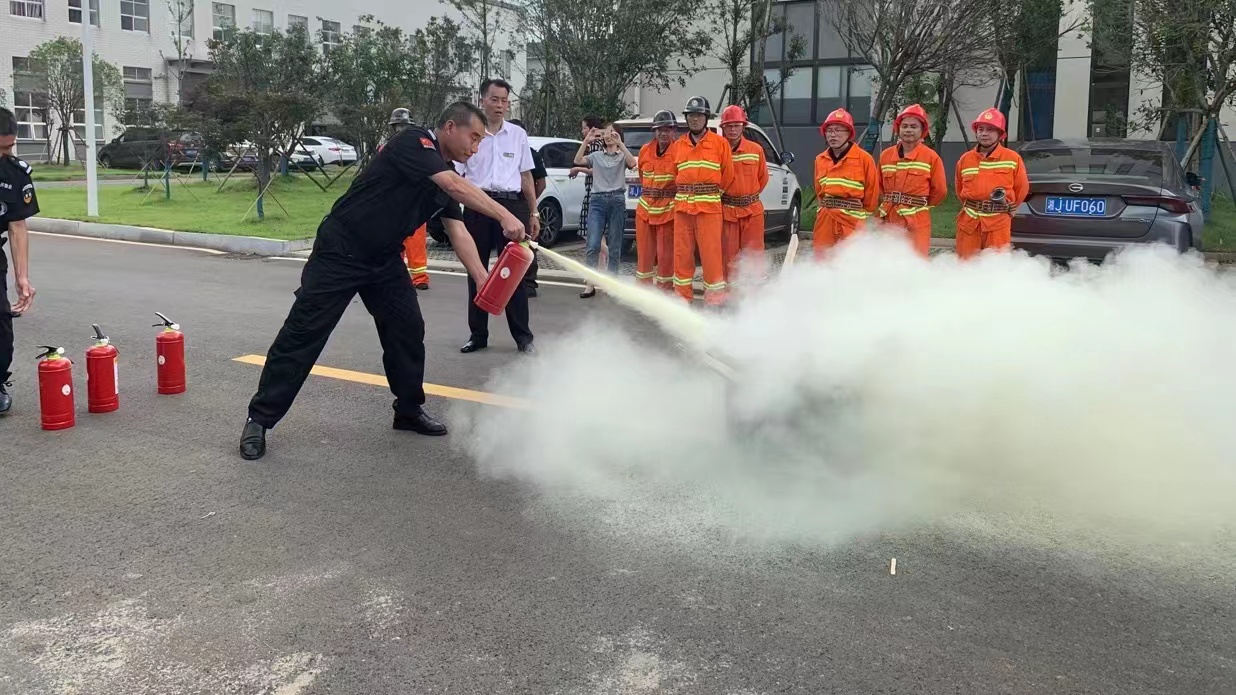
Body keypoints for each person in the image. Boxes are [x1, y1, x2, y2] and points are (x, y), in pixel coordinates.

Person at [238, 102, 523, 461]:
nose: (476, 147)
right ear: (450, 127)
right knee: (303, 333)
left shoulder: (446, 176)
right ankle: (258, 420)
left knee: (407, 328)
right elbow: (453, 185)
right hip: (341, 251)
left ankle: (408, 409)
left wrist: (483, 278)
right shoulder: (414, 143)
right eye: (475, 137)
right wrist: (503, 214)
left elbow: (458, 229)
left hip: (384, 259)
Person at [458, 78, 540, 355]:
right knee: (476, 271)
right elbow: (457, 174)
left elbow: (526, 176)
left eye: (505, 100)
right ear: (482, 99)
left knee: (515, 273)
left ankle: (523, 338)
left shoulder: (517, 135)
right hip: (477, 206)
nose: (500, 106)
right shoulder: (470, 133)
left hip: (512, 207)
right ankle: (478, 334)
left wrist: (533, 211)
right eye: (495, 99)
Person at [672, 95, 734, 307]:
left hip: (709, 211)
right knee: (681, 258)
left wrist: (712, 194)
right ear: (687, 118)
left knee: (712, 257)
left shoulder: (720, 144)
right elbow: (674, 175)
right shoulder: (678, 145)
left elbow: (728, 175)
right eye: (691, 116)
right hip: (682, 210)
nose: (695, 119)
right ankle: (682, 299)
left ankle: (715, 301)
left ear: (706, 118)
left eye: (699, 115)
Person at [0, 107, 37, 416]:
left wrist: (22, 277)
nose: (4, 153)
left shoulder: (14, 173)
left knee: (1, 323)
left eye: (8, 148)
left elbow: (17, 225)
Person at [954, 108, 1029, 259]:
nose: (984, 133)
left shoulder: (1012, 158)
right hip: (969, 222)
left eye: (990, 130)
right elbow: (959, 189)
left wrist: (1004, 206)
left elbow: (1021, 189)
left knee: (995, 269)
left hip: (998, 223)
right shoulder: (965, 159)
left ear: (1000, 134)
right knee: (965, 267)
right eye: (980, 129)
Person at [574, 123, 637, 298]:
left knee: (615, 246)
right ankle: (590, 284)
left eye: (613, 133)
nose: (609, 135)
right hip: (598, 201)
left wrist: (621, 145)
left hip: (617, 200)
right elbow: (578, 160)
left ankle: (612, 283)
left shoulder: (622, 156)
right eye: (607, 132)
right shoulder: (596, 156)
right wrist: (586, 141)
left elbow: (632, 163)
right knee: (593, 244)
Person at [877, 104, 947, 257]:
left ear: (922, 131)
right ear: (898, 129)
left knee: (915, 262)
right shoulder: (885, 156)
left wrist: (918, 204)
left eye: (914, 126)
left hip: (916, 220)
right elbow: (879, 186)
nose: (908, 130)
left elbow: (940, 191)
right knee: (886, 261)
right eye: (905, 126)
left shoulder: (931, 157)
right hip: (889, 217)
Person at [811, 108, 880, 260]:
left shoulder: (864, 159)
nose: (833, 135)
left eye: (838, 130)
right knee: (822, 262)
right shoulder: (820, 159)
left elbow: (872, 194)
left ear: (849, 133)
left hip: (852, 221)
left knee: (850, 264)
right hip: (826, 220)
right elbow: (819, 192)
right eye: (829, 130)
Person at [717, 105, 768, 288]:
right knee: (728, 257)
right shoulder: (717, 150)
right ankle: (731, 296)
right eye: (728, 126)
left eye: (736, 125)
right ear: (723, 128)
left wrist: (746, 196)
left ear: (743, 126)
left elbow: (762, 179)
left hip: (752, 212)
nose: (732, 129)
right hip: (727, 211)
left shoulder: (756, 150)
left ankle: (753, 296)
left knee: (754, 255)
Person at [386, 108, 433, 290]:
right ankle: (395, 276)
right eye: (399, 126)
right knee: (394, 241)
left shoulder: (420, 145)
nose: (401, 129)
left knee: (416, 242)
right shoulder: (387, 147)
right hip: (394, 202)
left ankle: (419, 277)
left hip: (415, 201)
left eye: (404, 126)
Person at [634, 110, 679, 294]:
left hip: (668, 212)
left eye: (667, 129)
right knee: (644, 257)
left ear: (673, 131)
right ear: (655, 131)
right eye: (659, 129)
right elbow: (642, 176)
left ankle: (664, 292)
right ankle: (644, 293)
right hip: (645, 211)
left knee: (665, 257)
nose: (663, 133)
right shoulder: (645, 150)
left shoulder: (679, 151)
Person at [507, 118, 545, 298]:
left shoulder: (532, 154)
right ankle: (506, 281)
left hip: (521, 202)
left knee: (526, 242)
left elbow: (540, 183)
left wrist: (531, 204)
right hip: (504, 201)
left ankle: (529, 282)